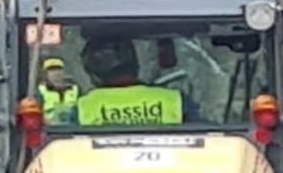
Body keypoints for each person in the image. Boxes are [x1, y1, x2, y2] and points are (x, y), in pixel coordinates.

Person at [72, 37, 201, 126]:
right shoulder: (174, 99)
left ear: (95, 75)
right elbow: (206, 135)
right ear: (135, 65)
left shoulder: (85, 106)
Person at [36, 57, 80, 125]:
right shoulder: (40, 91)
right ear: (45, 74)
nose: (56, 73)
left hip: (73, 129)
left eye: (58, 69)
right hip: (50, 130)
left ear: (64, 72)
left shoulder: (75, 89)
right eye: (51, 70)